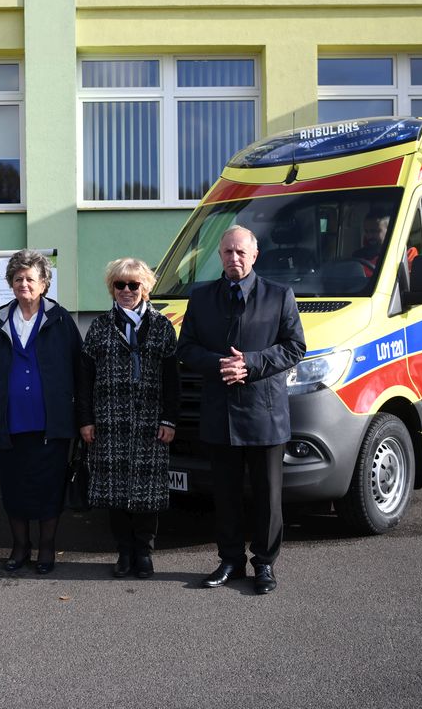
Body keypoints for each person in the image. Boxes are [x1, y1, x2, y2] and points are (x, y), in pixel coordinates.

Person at [177, 225, 305, 594]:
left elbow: (295, 347)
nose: (233, 258)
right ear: (219, 255)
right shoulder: (201, 297)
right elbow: (185, 349)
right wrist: (219, 363)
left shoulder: (279, 295)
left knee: (268, 497)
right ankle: (230, 560)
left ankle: (264, 564)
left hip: (265, 413)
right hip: (220, 413)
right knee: (226, 495)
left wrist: (250, 363)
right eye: (227, 252)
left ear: (254, 255)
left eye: (240, 253)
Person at [0, 250, 81, 575]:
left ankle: (47, 548)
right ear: (10, 283)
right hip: (9, 423)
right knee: (14, 489)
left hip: (52, 423)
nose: (23, 284)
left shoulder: (61, 321)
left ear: (44, 283)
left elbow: (79, 370)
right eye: (17, 278)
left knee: (49, 489)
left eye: (30, 278)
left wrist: (84, 418)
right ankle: (20, 547)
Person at [77, 258, 179, 579]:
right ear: (112, 288)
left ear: (145, 288)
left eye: (133, 285)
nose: (126, 291)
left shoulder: (162, 326)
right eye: (119, 285)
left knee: (147, 491)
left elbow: (172, 380)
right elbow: (85, 379)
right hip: (109, 423)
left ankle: (144, 552)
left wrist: (169, 419)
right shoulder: (98, 327)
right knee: (115, 490)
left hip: (150, 423)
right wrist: (86, 420)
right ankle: (123, 551)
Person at [351, 207, 415, 277]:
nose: (369, 236)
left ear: (389, 231)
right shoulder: (357, 256)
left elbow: (406, 282)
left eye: (374, 231)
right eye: (366, 231)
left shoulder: (406, 253)